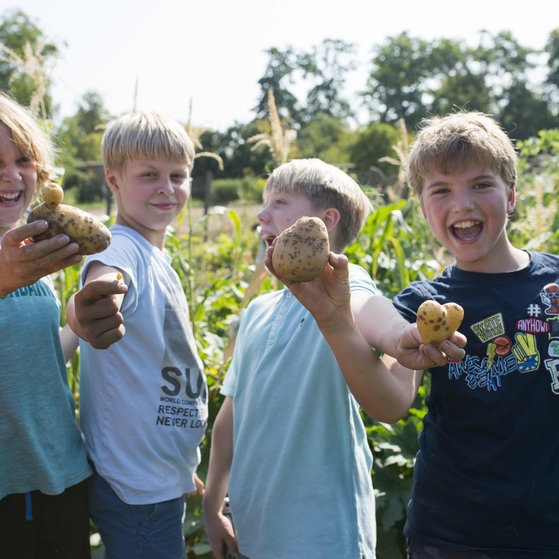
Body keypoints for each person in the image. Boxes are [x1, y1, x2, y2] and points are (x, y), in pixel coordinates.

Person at [273, 113, 559, 558]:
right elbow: (389, 403)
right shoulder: (424, 303)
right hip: (453, 534)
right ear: (424, 209)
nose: (461, 203)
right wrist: (333, 319)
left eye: (481, 185)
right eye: (441, 190)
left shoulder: (554, 284)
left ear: (512, 196)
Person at [202, 158, 466, 559]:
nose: (261, 213)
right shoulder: (258, 311)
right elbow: (231, 417)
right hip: (256, 532)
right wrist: (212, 504)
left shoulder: (342, 284)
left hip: (323, 536)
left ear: (324, 222)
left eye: (278, 202)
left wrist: (401, 338)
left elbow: (367, 309)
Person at [66, 111, 208, 559]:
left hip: (156, 477)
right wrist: (99, 297)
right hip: (134, 487)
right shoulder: (121, 246)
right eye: (149, 176)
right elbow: (107, 275)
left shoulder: (154, 255)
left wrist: (181, 464)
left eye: (177, 175)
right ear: (113, 180)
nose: (167, 188)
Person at [0, 92, 92, 558]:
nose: (12, 176)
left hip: (60, 473)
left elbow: (35, 355)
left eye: (23, 160)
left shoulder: (35, 248)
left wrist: (78, 323)